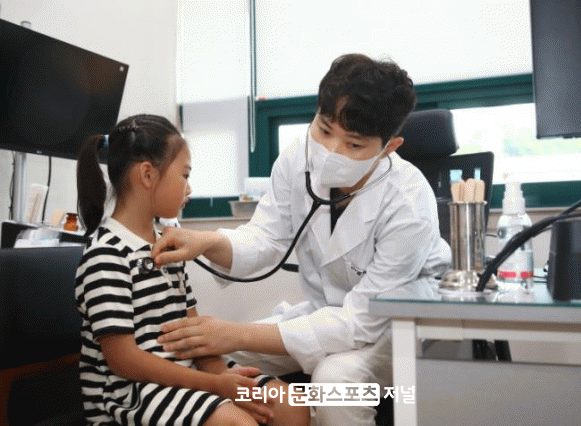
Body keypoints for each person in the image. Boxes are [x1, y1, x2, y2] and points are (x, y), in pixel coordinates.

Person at [152, 54, 452, 426]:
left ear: (389, 147)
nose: (331, 153)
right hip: (325, 313)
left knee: (333, 383)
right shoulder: (297, 158)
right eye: (324, 131)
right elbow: (266, 238)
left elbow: (360, 322)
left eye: (354, 145)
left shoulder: (408, 202)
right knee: (210, 361)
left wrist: (235, 332)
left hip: (391, 326)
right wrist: (208, 242)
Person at [75, 114, 310, 426]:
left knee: (291, 404)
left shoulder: (169, 246)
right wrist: (216, 386)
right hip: (130, 392)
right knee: (237, 423)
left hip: (185, 375)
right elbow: (123, 360)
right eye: (184, 176)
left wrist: (226, 378)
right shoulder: (106, 254)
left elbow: (193, 335)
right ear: (148, 175)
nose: (189, 188)